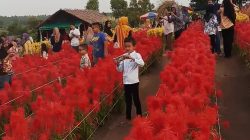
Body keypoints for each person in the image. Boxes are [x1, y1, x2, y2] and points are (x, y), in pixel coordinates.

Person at [115, 37, 144, 122]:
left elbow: (142, 63)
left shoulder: (137, 55)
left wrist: (132, 58)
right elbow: (120, 69)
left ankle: (139, 115)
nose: (127, 48)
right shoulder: (123, 56)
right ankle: (128, 117)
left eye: (129, 46)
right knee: (127, 101)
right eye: (126, 46)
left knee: (136, 99)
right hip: (126, 82)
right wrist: (117, 64)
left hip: (134, 82)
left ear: (134, 46)